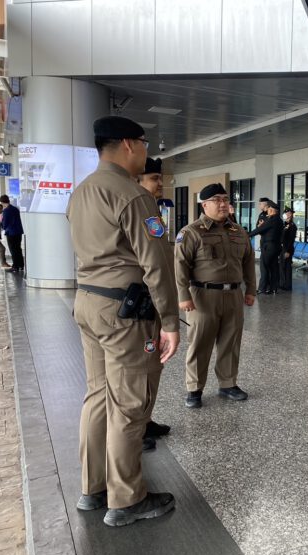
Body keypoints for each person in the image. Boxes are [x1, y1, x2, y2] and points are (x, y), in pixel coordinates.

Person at [67, 115, 180, 527]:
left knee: (98, 395)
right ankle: (128, 499)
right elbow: (156, 264)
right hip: (125, 313)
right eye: (145, 145)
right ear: (130, 145)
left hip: (88, 303)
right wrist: (169, 320)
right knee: (130, 404)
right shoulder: (132, 196)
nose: (147, 153)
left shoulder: (81, 192)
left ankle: (93, 489)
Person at [174, 183, 257, 409]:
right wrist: (183, 295)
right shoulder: (191, 232)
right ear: (205, 204)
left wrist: (250, 290)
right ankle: (194, 388)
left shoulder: (238, 231)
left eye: (225, 199)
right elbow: (180, 266)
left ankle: (228, 383)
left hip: (233, 295)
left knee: (230, 342)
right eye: (217, 200)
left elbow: (249, 261)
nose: (223, 204)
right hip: (202, 296)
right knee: (200, 343)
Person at [135, 156, 171, 449]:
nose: (160, 184)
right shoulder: (139, 208)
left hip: (150, 302)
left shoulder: (151, 208)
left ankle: (145, 419)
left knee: (152, 366)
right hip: (140, 303)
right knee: (139, 370)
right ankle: (136, 429)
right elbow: (153, 264)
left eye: (160, 178)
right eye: (154, 179)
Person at [249, 200, 283, 294]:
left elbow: (259, 230)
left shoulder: (271, 220)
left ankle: (262, 288)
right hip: (276, 247)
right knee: (273, 268)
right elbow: (266, 231)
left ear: (271, 210)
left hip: (269, 247)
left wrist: (247, 235)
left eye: (268, 209)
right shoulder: (279, 220)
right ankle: (273, 289)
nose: (267, 211)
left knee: (264, 267)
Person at [0, 195, 24, 273]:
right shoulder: (15, 209)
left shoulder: (6, 210)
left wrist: (2, 226)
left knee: (13, 250)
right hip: (18, 232)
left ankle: (15, 266)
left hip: (11, 232)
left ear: (2, 202)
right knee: (18, 249)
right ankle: (21, 265)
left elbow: (5, 223)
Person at [279, 206, 298, 290]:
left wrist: (287, 251)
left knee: (287, 268)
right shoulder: (284, 224)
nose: (287, 214)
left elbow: (290, 240)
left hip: (287, 249)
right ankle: (282, 284)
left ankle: (287, 285)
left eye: (289, 213)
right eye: (286, 213)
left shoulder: (292, 226)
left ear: (291, 215)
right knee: (282, 266)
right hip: (283, 248)